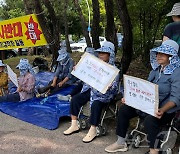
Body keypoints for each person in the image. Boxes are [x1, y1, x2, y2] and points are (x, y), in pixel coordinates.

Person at [105, 40, 180, 154]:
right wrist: (130, 99)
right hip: (148, 104)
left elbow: (176, 98)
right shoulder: (156, 70)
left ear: (172, 56)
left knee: (150, 120)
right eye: (158, 53)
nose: (158, 56)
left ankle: (154, 151)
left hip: (166, 109)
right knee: (124, 109)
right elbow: (144, 89)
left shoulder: (177, 73)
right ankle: (121, 142)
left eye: (162, 54)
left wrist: (162, 110)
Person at [63, 41, 119, 143]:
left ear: (110, 55)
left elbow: (115, 88)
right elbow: (85, 75)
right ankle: (74, 124)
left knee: (96, 105)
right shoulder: (95, 65)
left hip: (104, 94)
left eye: (104, 53)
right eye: (100, 53)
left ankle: (93, 129)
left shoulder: (114, 70)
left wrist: (110, 87)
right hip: (91, 90)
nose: (100, 55)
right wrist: (78, 70)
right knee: (76, 99)